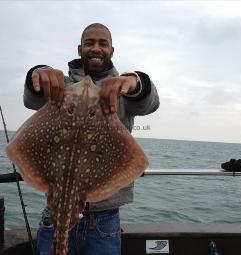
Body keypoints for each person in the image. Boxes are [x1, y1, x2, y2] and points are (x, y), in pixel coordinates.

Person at [23, 23, 160, 255]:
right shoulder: (62, 88)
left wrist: (136, 81)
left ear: (111, 51)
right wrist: (40, 73)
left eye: (102, 43)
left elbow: (150, 101)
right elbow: (32, 98)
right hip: (54, 210)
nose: (96, 48)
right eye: (90, 43)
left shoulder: (122, 90)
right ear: (80, 49)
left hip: (105, 217)